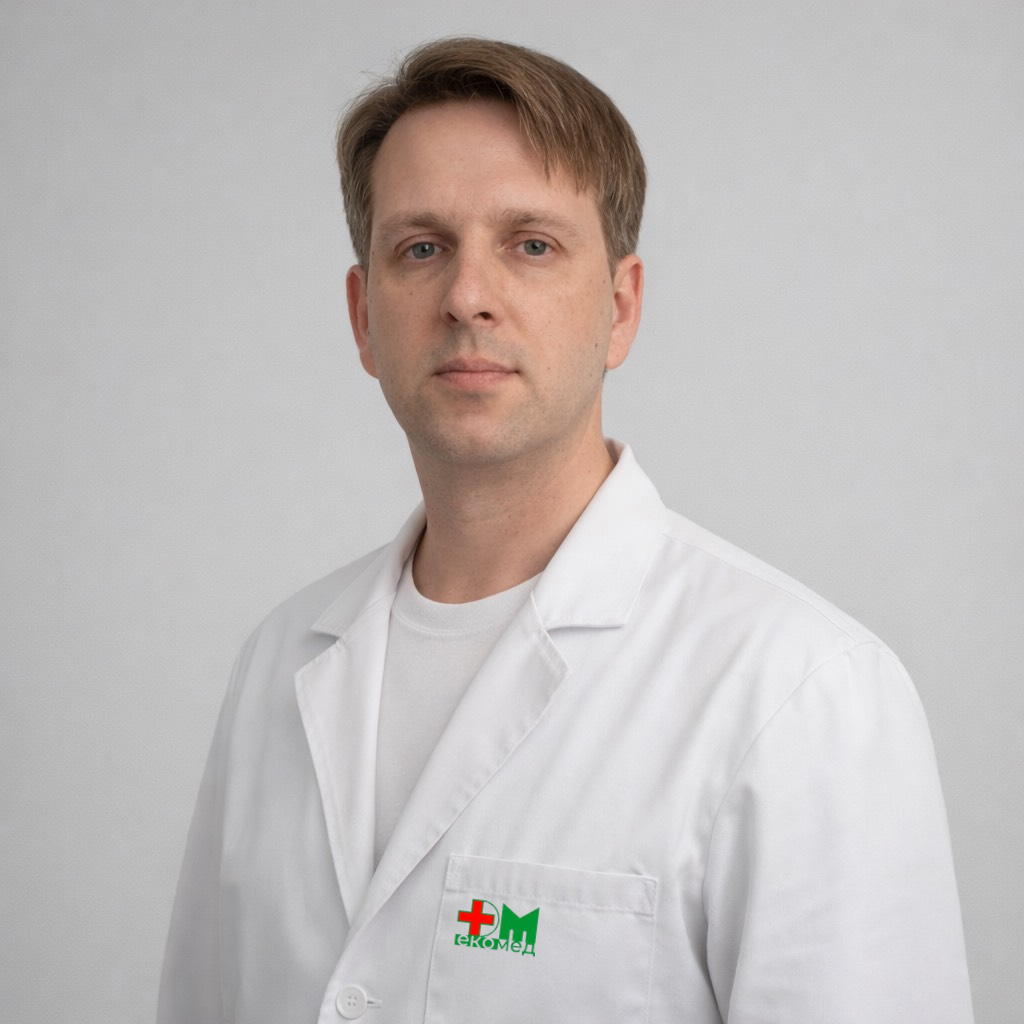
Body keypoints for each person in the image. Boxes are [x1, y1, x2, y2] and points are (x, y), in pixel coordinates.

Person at [158, 37, 974, 1024]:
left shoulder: (800, 691)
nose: (467, 296)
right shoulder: (276, 665)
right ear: (363, 316)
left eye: (531, 245)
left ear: (620, 308)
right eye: (421, 247)